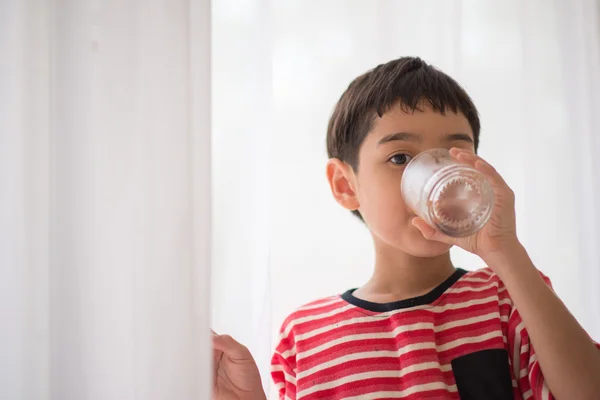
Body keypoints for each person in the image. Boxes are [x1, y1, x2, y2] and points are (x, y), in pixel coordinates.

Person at [212, 57, 600, 399]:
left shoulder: (508, 296)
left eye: (453, 155)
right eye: (400, 157)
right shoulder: (305, 336)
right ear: (346, 185)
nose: (435, 172)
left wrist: (505, 250)